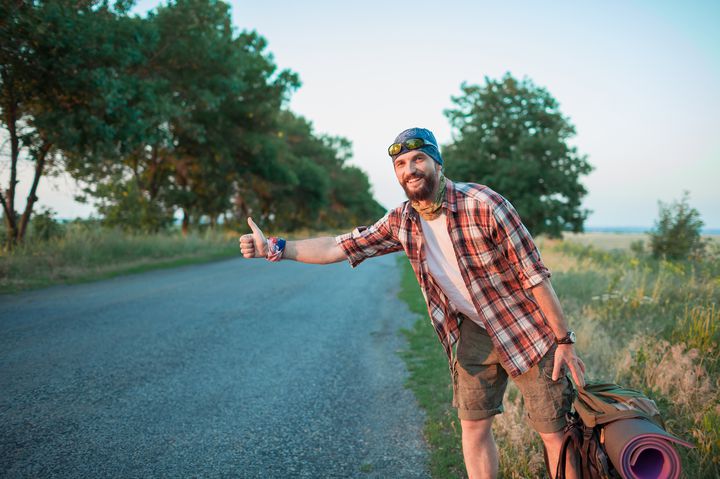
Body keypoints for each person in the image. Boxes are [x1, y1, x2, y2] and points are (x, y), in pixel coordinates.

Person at [239, 127, 585, 479]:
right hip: (473, 333)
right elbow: (337, 246)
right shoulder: (401, 220)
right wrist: (275, 248)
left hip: (526, 327)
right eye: (401, 163)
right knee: (473, 428)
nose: (410, 169)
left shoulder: (484, 204)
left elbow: (535, 276)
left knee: (554, 433)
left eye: (418, 159)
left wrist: (564, 340)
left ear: (437, 162)